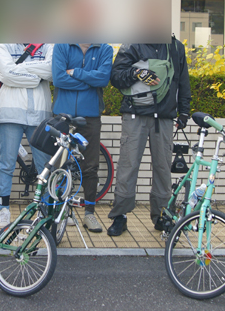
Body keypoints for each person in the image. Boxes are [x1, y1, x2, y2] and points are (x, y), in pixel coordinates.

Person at [106, 36, 191, 236]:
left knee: (163, 169)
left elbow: (182, 80)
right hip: (135, 115)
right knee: (128, 166)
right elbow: (116, 76)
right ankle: (120, 216)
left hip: (164, 117)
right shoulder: (133, 43)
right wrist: (137, 72)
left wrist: (184, 112)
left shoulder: (176, 47)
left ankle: (162, 215)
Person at [52, 43, 113, 232]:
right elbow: (58, 79)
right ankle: (58, 210)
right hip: (63, 115)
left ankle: (89, 214)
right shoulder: (62, 45)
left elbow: (103, 79)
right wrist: (89, 81)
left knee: (91, 166)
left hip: (90, 116)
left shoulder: (105, 49)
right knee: (59, 164)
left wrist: (75, 72)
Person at [0, 43, 54, 228]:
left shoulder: (49, 45)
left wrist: (20, 68)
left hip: (40, 113)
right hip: (10, 112)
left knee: (45, 166)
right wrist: (36, 77)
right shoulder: (4, 45)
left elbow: (51, 71)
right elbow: (5, 74)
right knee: (6, 164)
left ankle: (46, 209)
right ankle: (3, 210)